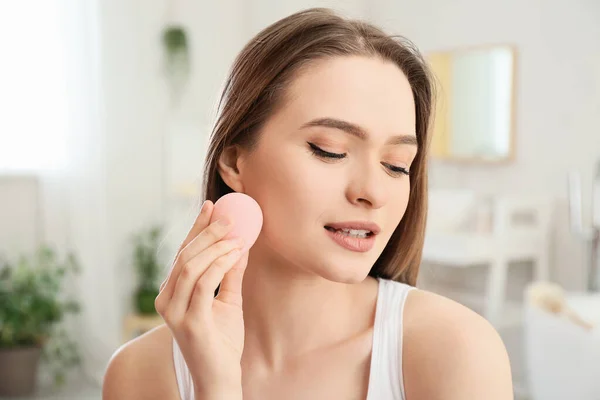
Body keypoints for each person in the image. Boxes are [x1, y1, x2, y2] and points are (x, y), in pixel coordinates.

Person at [102, 7, 513, 400]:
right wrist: (215, 386)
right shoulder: (140, 374)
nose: (373, 191)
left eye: (396, 164)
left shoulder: (455, 351)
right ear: (233, 161)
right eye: (329, 150)